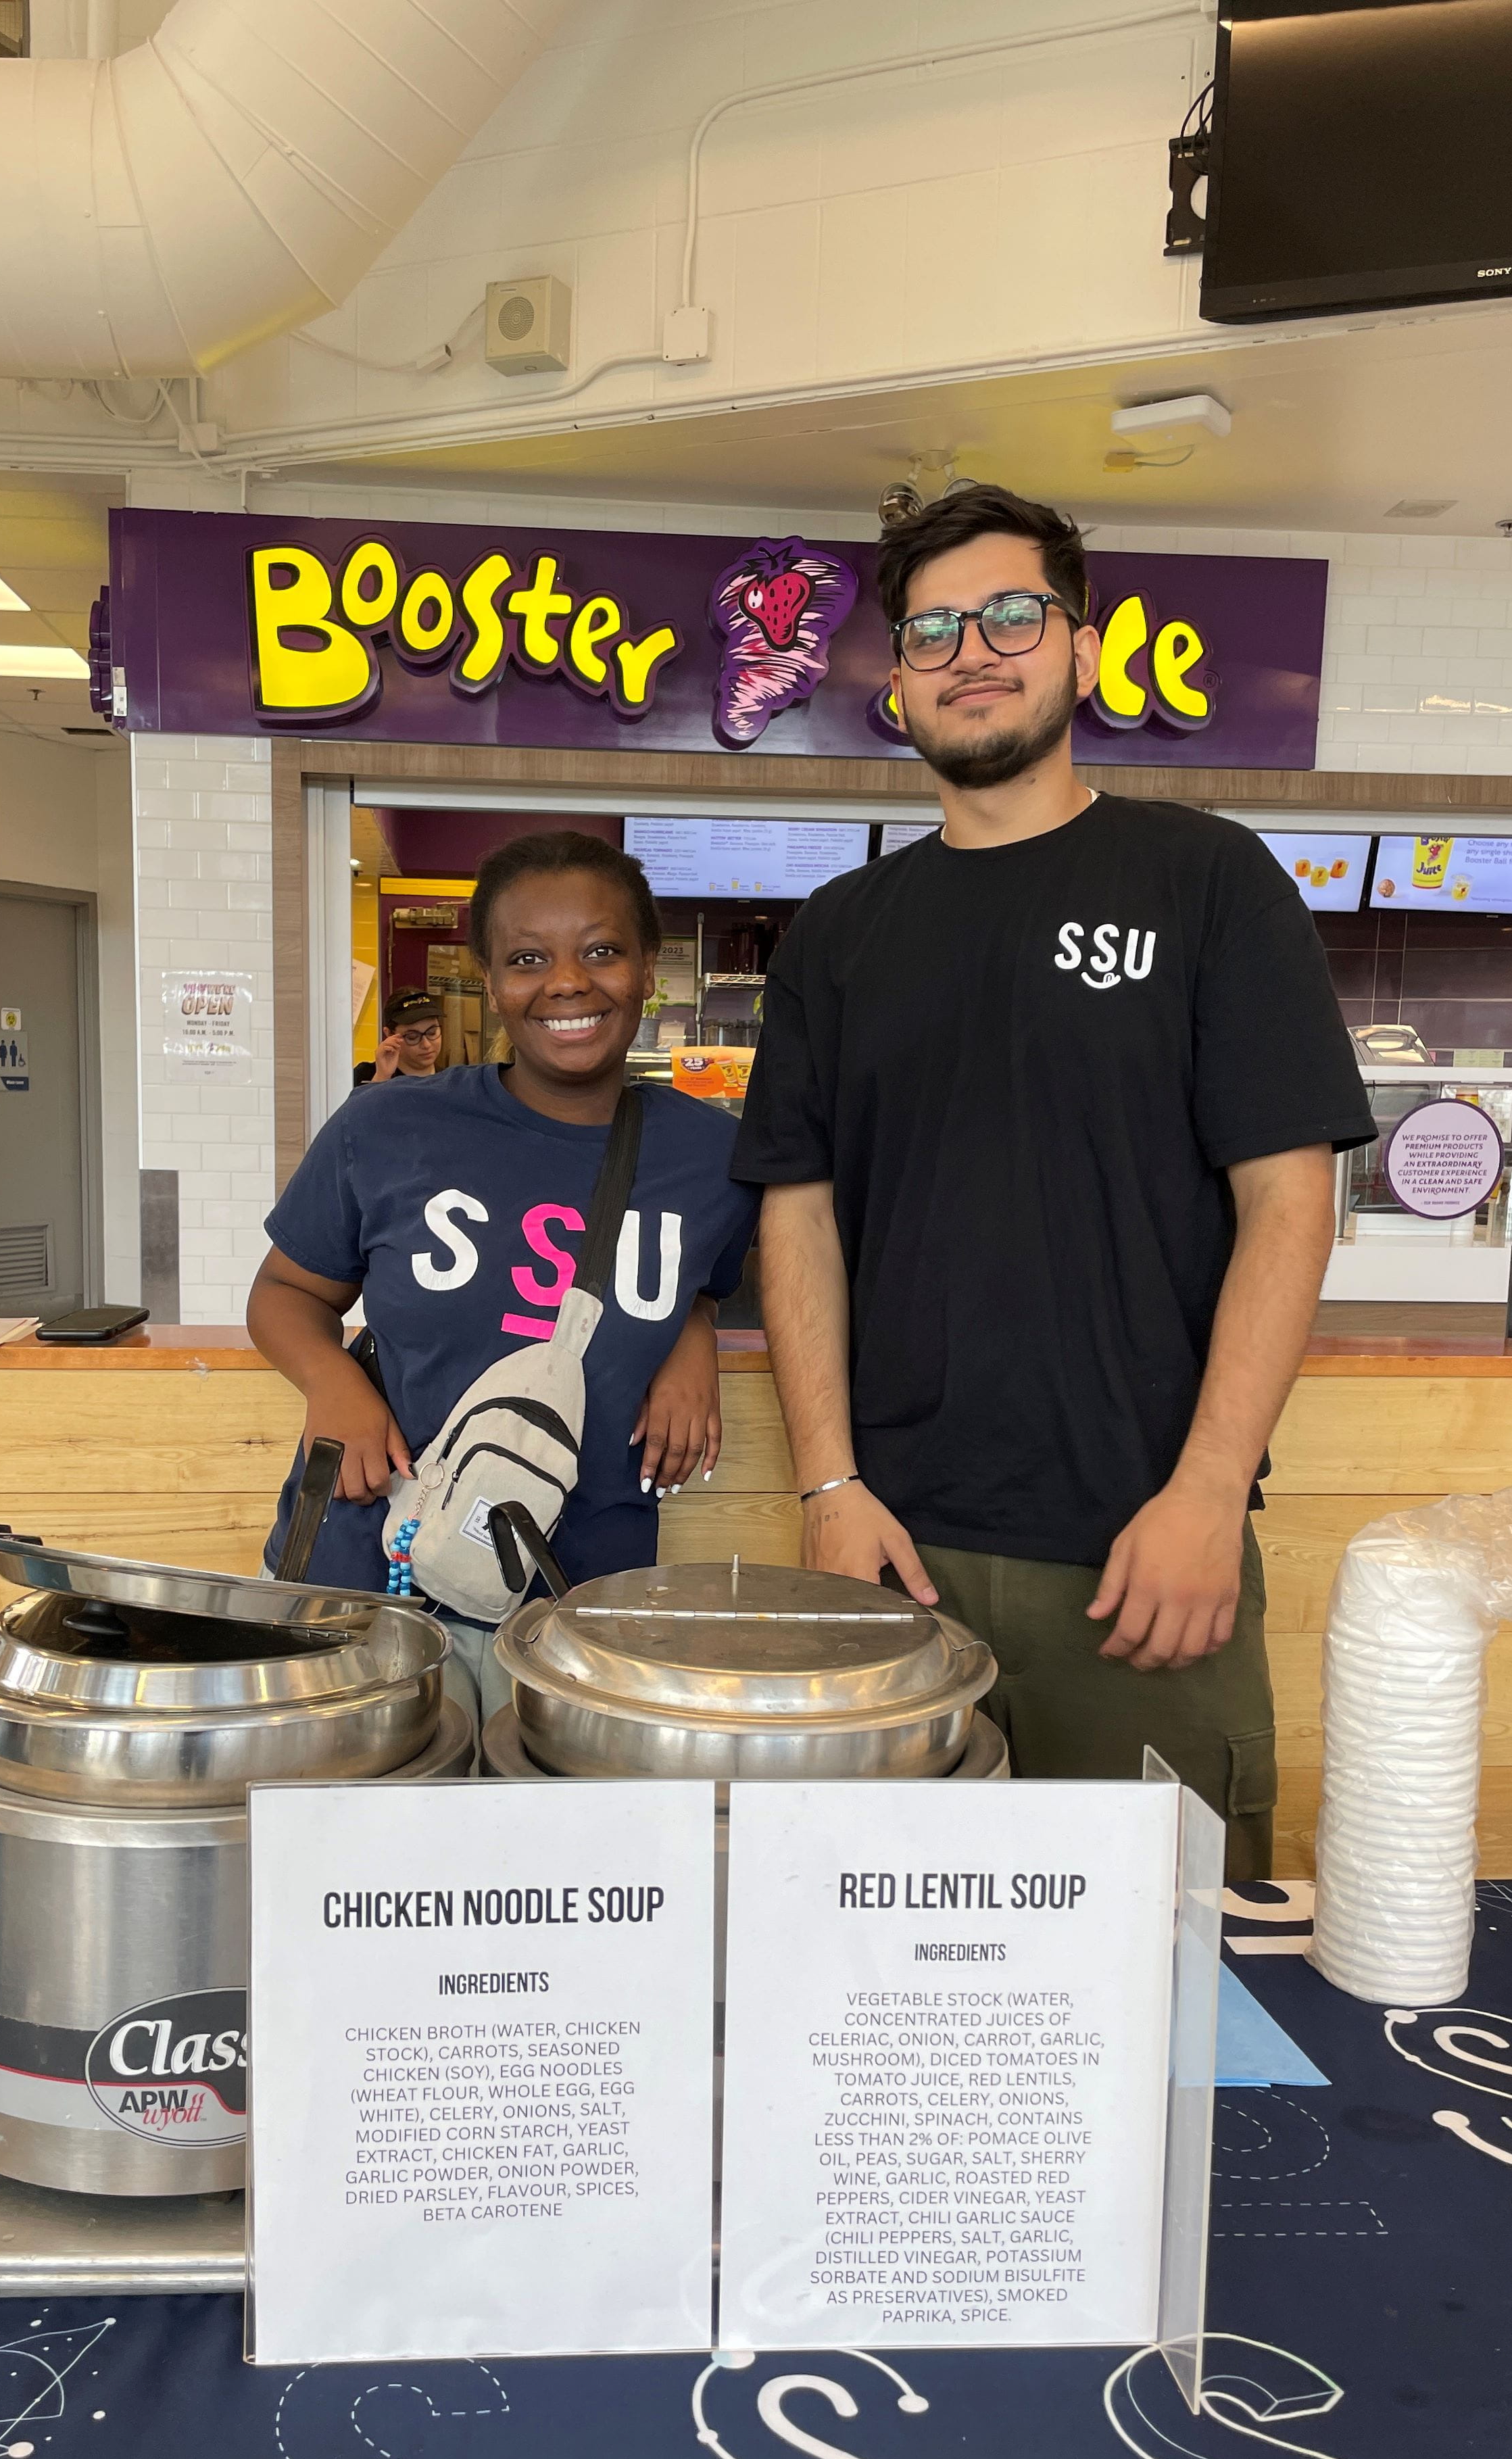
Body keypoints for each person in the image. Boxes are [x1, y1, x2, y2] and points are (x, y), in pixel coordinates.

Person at [732, 482, 1377, 1874]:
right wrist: (828, 1487)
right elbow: (801, 1216)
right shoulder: (840, 935)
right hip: (896, 1558)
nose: (974, 650)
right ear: (895, 686)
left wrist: (1210, 1492)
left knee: (1179, 1986)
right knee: (882, 1981)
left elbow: (1288, 1203)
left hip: (1146, 1556)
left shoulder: (1208, 882)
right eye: (932, 630)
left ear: (1083, 648)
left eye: (1012, 614)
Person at [248, 829, 761, 1731]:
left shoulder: (712, 1156)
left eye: (602, 950)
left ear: (648, 968)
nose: (567, 982)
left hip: (580, 1597)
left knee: (550, 1865)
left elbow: (702, 1276)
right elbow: (285, 1293)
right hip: (373, 1580)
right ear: (490, 981)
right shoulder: (388, 1125)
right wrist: (332, 1385)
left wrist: (693, 1331)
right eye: (528, 958)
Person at [352, 986, 445, 1085]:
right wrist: (382, 1077)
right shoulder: (365, 1076)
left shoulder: (451, 1082)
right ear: (389, 1034)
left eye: (432, 1033)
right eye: (412, 1037)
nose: (426, 1045)